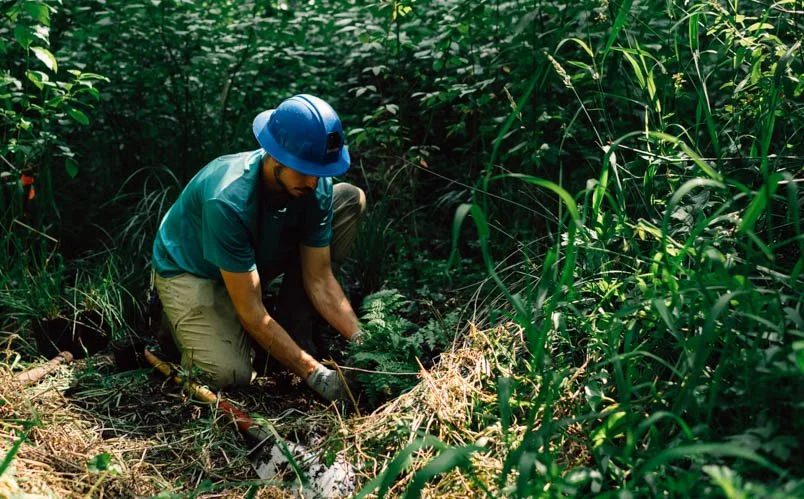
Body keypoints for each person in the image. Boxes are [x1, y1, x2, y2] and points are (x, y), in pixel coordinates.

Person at [151, 94, 365, 402]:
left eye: (318, 171)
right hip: (193, 269)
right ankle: (173, 321)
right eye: (303, 170)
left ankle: (291, 330)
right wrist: (316, 375)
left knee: (349, 198)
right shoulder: (228, 199)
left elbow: (319, 278)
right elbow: (252, 312)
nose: (312, 181)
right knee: (228, 374)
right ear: (275, 157)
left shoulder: (314, 184)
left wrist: (363, 340)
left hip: (248, 256)